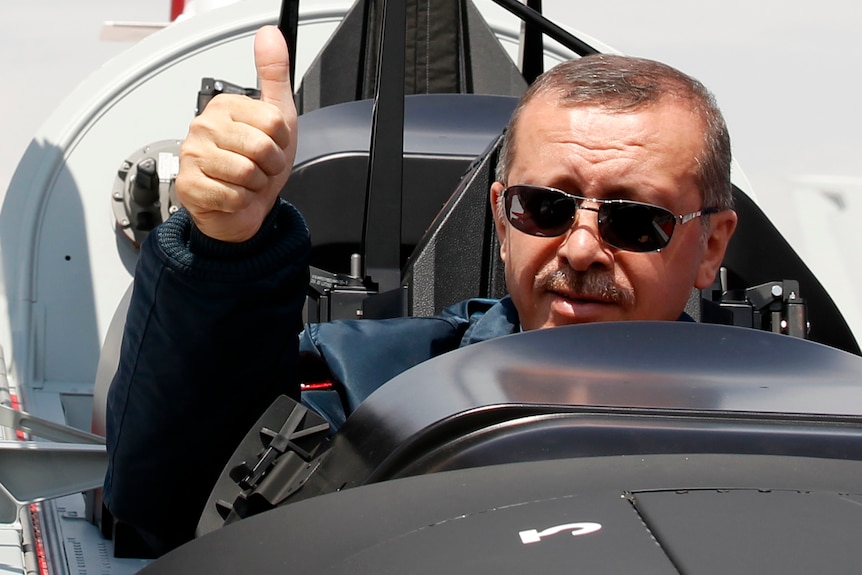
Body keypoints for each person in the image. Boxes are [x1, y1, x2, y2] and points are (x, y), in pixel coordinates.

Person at [103, 26, 737, 555]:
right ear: (500, 215)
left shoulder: (794, 419)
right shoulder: (371, 387)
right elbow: (177, 510)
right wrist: (224, 248)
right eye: (543, 207)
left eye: (633, 219)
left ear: (711, 245)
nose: (578, 247)